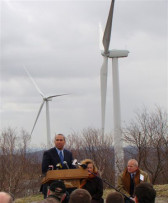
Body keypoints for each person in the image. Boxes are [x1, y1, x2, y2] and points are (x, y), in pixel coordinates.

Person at [41, 133, 75, 198]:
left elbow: (72, 168)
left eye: (61, 140)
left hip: (67, 186)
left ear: (64, 142)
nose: (59, 142)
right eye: (57, 140)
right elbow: (44, 170)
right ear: (54, 141)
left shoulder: (69, 154)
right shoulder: (48, 153)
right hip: (52, 186)